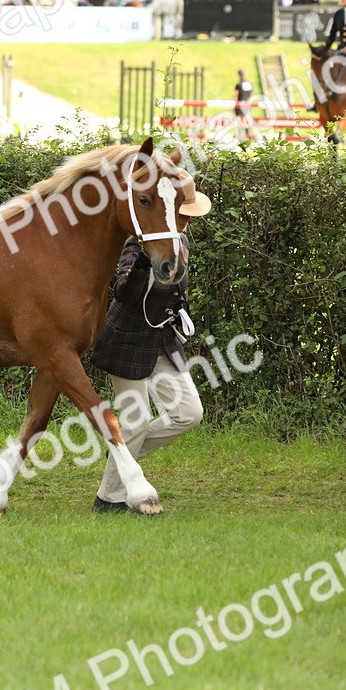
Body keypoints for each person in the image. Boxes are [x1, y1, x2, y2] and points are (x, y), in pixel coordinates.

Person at [87, 182, 212, 514]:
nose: (185, 222)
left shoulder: (181, 241)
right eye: (181, 215)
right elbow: (123, 292)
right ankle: (109, 498)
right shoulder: (138, 243)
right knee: (136, 422)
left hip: (161, 342)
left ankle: (123, 453)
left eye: (188, 216)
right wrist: (143, 264)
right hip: (126, 342)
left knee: (189, 414)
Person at [234, 68, 254, 138]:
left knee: (239, 119)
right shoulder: (249, 84)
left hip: (240, 104)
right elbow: (251, 95)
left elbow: (236, 95)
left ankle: (240, 134)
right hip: (247, 103)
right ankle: (248, 133)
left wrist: (235, 104)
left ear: (239, 75)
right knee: (246, 118)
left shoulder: (239, 84)